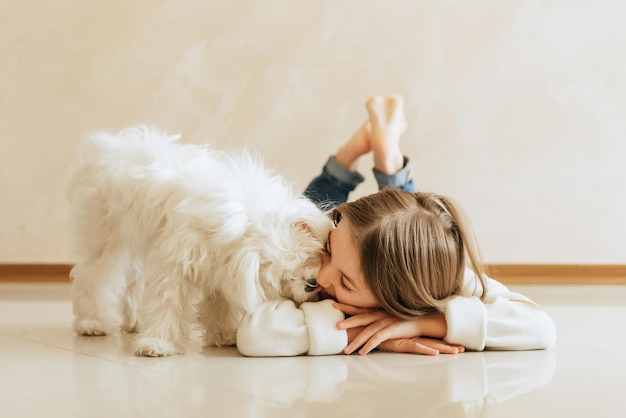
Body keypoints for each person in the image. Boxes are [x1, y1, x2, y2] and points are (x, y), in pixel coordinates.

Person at [236, 95, 556, 357]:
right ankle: (376, 160)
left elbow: (540, 327)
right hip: (352, 233)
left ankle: (371, 159)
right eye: (330, 251)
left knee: (395, 228)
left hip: (398, 268)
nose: (321, 276)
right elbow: (253, 334)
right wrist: (362, 329)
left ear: (403, 303)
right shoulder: (315, 260)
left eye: (347, 284)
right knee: (315, 216)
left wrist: (426, 322)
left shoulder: (443, 282)